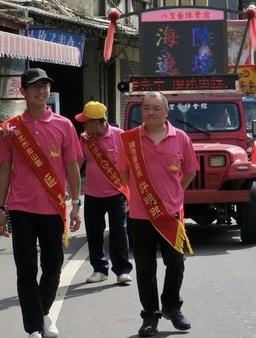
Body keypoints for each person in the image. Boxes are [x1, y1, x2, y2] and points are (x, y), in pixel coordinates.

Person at [0, 68, 82, 338]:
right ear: (23, 92)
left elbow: (72, 166)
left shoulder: (64, 125)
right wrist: (0, 208)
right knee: (26, 270)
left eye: (45, 86)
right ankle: (33, 328)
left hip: (54, 208)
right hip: (21, 209)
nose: (41, 91)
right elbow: (5, 169)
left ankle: (43, 313)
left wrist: (76, 203)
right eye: (35, 86)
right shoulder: (11, 130)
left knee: (53, 268)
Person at [117, 91, 199, 337]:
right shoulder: (129, 140)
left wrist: (173, 193)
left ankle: (172, 307)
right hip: (141, 216)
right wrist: (139, 195)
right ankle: (150, 315)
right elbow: (123, 173)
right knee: (144, 267)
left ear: (166, 112)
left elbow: (190, 172)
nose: (150, 112)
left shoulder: (181, 138)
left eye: (155, 108)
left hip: (170, 214)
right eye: (146, 108)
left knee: (176, 263)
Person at [76, 101, 133, 284]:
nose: (84, 126)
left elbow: (131, 164)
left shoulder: (121, 136)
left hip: (117, 193)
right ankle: (99, 270)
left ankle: (122, 271)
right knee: (94, 233)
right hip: (92, 194)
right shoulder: (85, 140)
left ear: (97, 122)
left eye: (86, 122)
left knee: (119, 232)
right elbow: (77, 163)